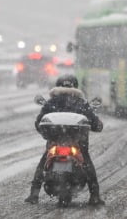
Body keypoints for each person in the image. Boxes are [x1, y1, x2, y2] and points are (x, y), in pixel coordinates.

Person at [24, 74, 105, 206]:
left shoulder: (51, 103)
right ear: (76, 86)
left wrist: (48, 134)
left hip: (54, 143)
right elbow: (96, 125)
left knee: (43, 162)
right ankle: (94, 195)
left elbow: (39, 123)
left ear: (57, 86)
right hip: (78, 145)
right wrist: (96, 125)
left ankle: (34, 194)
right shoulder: (81, 103)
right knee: (87, 163)